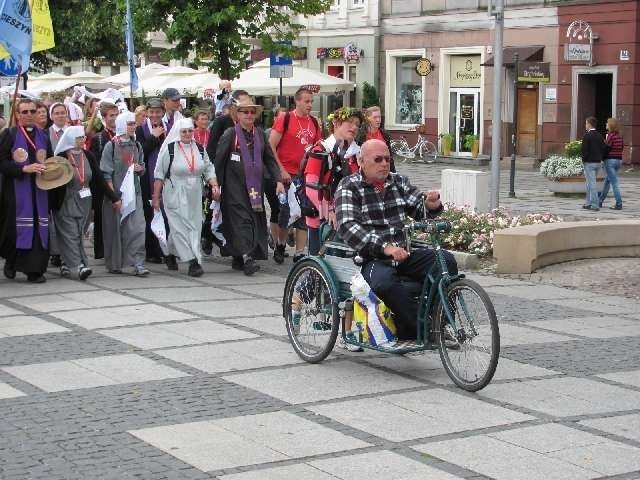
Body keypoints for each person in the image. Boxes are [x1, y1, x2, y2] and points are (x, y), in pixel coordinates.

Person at [336, 139, 458, 341]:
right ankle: (422, 329)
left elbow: (420, 209)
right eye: (378, 159)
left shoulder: (398, 181)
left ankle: (440, 321)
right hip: (371, 259)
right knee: (384, 283)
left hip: (404, 254)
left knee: (446, 260)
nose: (384, 163)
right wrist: (385, 247)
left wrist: (431, 204)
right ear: (361, 161)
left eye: (387, 159)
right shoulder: (349, 187)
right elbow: (349, 227)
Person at [214, 96, 284, 275]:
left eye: (253, 112)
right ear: (237, 115)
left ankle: (239, 256)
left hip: (254, 188)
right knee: (240, 221)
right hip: (233, 188)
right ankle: (247, 258)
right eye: (245, 112)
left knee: (252, 221)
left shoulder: (259, 134)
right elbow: (219, 161)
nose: (250, 115)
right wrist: (215, 185)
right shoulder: (230, 134)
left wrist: (278, 180)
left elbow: (269, 158)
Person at [152, 118, 219, 277]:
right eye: (184, 131)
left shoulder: (200, 148)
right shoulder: (170, 150)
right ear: (178, 132)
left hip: (195, 193)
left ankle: (168, 253)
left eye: (190, 131)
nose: (187, 134)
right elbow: (159, 175)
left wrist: (214, 185)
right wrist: (156, 197)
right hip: (174, 192)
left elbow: (209, 168)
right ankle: (192, 261)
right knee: (179, 227)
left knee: (194, 227)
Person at [52, 126, 120, 280]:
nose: (82, 140)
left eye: (83, 137)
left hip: (85, 201)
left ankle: (66, 263)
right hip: (66, 200)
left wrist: (113, 197)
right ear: (70, 139)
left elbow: (99, 178)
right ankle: (78, 266)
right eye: (78, 138)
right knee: (70, 234)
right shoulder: (61, 157)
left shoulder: (88, 155)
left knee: (78, 233)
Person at [0, 98, 55, 283]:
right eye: (25, 112)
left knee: (39, 228)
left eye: (33, 111)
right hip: (16, 192)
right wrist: (23, 169)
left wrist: (52, 168)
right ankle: (11, 260)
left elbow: (51, 160)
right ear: (17, 115)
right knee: (15, 230)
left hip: (40, 190)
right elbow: (2, 163)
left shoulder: (44, 136)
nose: (30, 115)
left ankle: (35, 271)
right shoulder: (9, 134)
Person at [269, 87, 322, 263]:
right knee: (286, 212)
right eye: (306, 101)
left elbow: (318, 148)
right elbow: (271, 146)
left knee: (304, 213)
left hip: (306, 175)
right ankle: (281, 244)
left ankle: (299, 252)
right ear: (297, 101)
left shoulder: (314, 122)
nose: (309, 105)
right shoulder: (285, 118)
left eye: (311, 101)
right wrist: (280, 170)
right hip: (287, 175)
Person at [303, 107, 363, 256]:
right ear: (336, 123)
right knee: (320, 263)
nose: (354, 127)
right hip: (322, 218)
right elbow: (311, 187)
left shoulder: (359, 152)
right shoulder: (320, 150)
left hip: (351, 218)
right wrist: (329, 211)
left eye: (357, 124)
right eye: (350, 122)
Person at [100, 111, 149, 276]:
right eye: (129, 124)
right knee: (115, 229)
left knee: (138, 227)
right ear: (122, 125)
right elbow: (105, 173)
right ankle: (116, 263)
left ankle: (138, 262)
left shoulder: (137, 145)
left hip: (134, 194)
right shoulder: (111, 146)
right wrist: (114, 197)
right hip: (116, 195)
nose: (133, 126)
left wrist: (140, 168)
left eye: (134, 123)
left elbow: (142, 166)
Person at [203, 89, 250, 255]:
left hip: (242, 176)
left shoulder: (251, 125)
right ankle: (208, 235)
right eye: (243, 106)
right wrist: (212, 177)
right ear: (232, 107)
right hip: (221, 172)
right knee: (214, 206)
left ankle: (237, 250)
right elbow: (211, 148)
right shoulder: (222, 122)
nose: (247, 111)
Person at [136, 98, 169, 265]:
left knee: (166, 212)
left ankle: (166, 248)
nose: (155, 115)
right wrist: (154, 138)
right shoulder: (140, 130)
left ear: (162, 112)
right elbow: (140, 152)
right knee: (150, 213)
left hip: (166, 177)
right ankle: (152, 251)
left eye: (158, 112)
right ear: (147, 113)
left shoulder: (168, 128)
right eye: (152, 112)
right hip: (147, 178)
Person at [89, 101, 119, 259]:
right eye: (111, 115)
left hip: (120, 179)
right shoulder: (99, 138)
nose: (114, 118)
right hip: (102, 181)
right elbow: (93, 162)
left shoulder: (124, 135)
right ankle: (101, 250)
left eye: (116, 115)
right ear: (104, 118)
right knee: (102, 216)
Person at [356, 106, 395, 173]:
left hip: (383, 171)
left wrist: (393, 174)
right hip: (367, 172)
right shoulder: (360, 136)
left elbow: (390, 157)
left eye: (379, 117)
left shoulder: (384, 135)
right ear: (367, 118)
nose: (378, 120)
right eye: (375, 117)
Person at [581, 116, 607, 211]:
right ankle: (588, 203)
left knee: (591, 183)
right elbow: (604, 148)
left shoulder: (587, 136)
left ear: (589, 124)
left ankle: (595, 205)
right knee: (589, 183)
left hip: (589, 163)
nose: (585, 125)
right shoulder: (599, 136)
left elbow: (584, 150)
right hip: (598, 162)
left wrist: (584, 160)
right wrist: (601, 158)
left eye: (586, 123)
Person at [599, 117, 624, 210]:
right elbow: (622, 148)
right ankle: (600, 201)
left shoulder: (610, 135)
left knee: (614, 183)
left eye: (607, 123)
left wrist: (602, 157)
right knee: (607, 182)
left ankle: (619, 203)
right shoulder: (620, 136)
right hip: (618, 160)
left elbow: (607, 148)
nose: (606, 124)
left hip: (610, 161)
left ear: (611, 125)